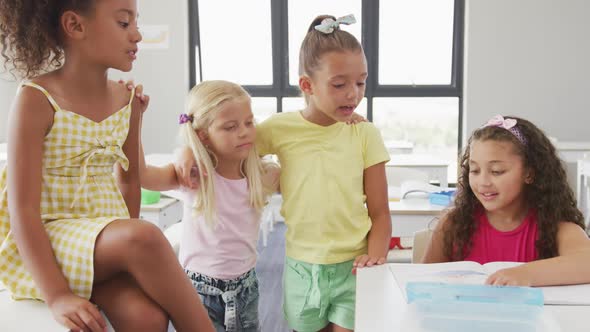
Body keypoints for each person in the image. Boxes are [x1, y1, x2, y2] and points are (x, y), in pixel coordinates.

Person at [0, 1, 213, 331]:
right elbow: (22, 209)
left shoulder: (126, 100)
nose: (138, 35)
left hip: (99, 242)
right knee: (146, 236)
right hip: (48, 240)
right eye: (124, 23)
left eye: (136, 23)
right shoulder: (36, 98)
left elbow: (129, 180)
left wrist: (125, 253)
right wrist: (57, 295)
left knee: (147, 317)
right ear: (76, 26)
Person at [177, 14, 391, 332]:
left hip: (353, 267)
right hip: (302, 266)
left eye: (361, 82)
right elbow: (226, 145)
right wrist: (187, 148)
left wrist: (375, 257)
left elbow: (380, 211)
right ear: (307, 85)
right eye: (339, 84)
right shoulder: (279, 128)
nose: (353, 94)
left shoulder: (365, 134)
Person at [139, 80, 280, 331]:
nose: (244, 132)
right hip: (198, 293)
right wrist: (134, 121)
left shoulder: (263, 175)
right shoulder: (193, 177)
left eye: (249, 123)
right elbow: (141, 175)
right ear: (203, 135)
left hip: (246, 289)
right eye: (230, 127)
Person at [422, 115, 590, 286]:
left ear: (529, 173)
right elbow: (422, 281)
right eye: (474, 170)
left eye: (497, 171)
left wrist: (525, 274)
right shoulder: (453, 223)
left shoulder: (557, 228)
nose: (483, 182)